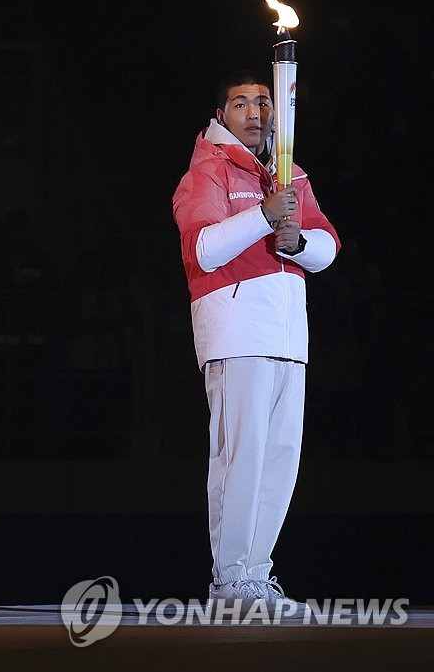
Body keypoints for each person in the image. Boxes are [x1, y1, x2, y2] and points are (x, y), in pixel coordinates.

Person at [172, 70, 341, 618]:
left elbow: (328, 247)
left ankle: (255, 574)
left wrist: (297, 242)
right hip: (237, 328)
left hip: (289, 335)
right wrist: (264, 217)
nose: (255, 112)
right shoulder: (208, 172)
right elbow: (204, 248)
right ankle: (230, 578)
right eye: (241, 102)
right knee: (240, 457)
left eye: (264, 102)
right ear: (221, 114)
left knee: (280, 460)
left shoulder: (290, 177)